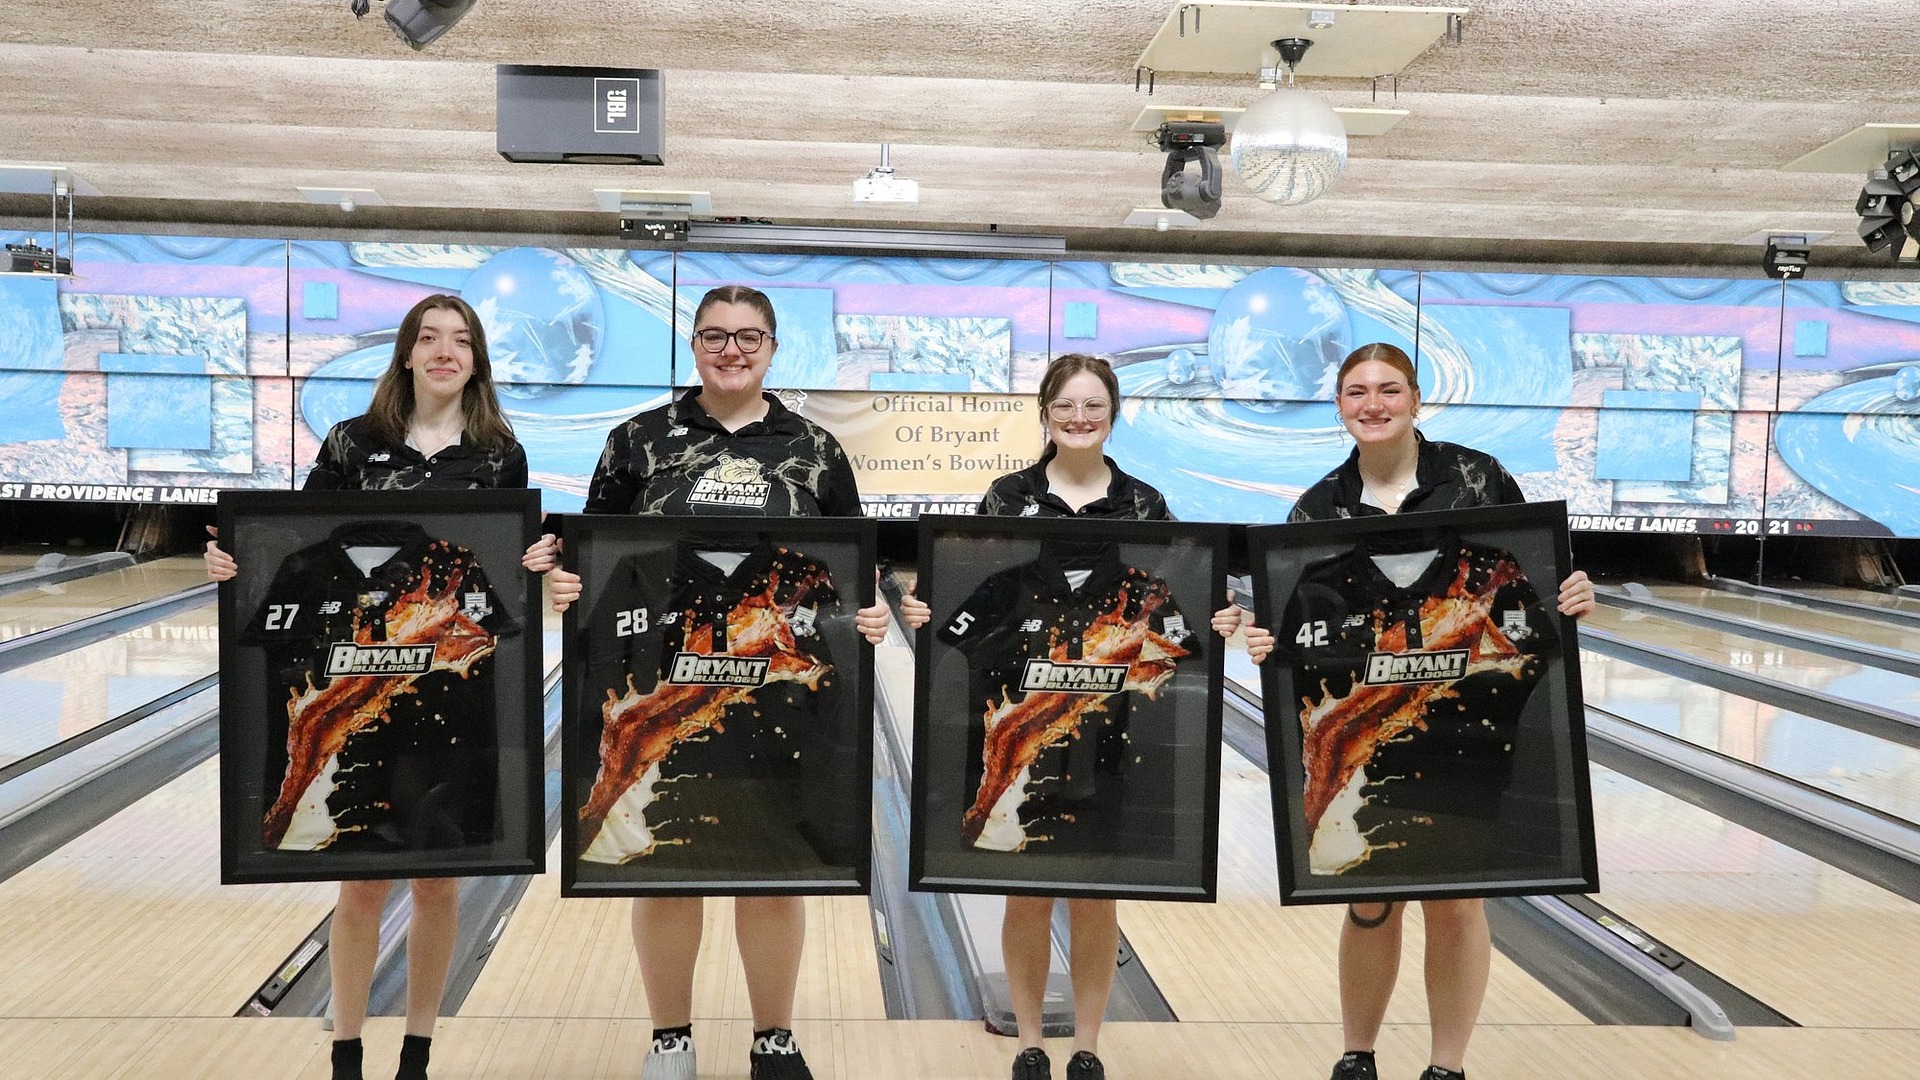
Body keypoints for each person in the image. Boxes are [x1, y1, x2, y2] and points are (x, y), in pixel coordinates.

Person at [206, 293, 578, 1080]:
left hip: (446, 696)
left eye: (462, 341)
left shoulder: (498, 452)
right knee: (362, 880)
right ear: (406, 352)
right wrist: (232, 565)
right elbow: (296, 542)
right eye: (430, 339)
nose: (446, 352)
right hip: (356, 689)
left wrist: (531, 566)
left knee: (439, 882)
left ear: (476, 359)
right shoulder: (352, 442)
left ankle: (417, 1049)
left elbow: (499, 578)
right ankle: (344, 1046)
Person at [576, 284, 909, 1080]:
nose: (732, 350)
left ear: (771, 347)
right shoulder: (637, 442)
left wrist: (868, 615)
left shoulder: (815, 449)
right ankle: (670, 1038)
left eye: (748, 336)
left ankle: (773, 1036)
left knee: (771, 868)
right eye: (716, 336)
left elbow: (846, 573)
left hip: (781, 698)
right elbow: (595, 559)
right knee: (663, 869)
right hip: (663, 689)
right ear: (694, 346)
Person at [1242, 342, 1594, 1080]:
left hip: (1464, 730)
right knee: (1370, 902)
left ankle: (1446, 1067)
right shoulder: (1317, 507)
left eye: (1389, 389)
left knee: (1457, 903)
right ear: (1339, 405)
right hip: (1368, 737)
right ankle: (1358, 1055)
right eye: (1357, 392)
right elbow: (1303, 633)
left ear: (1415, 397)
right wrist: (1264, 638)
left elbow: (1532, 590)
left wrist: (1573, 599)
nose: (1374, 404)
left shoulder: (1476, 479)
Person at [905, 354, 1240, 1080]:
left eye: (1094, 406)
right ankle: (1029, 1040)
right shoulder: (1008, 497)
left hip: (1107, 744)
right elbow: (963, 592)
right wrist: (924, 607)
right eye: (1066, 405)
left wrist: (1218, 618)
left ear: (1113, 414)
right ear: (1046, 411)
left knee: (1094, 893)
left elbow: (1181, 614)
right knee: (1026, 891)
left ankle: (1087, 1044)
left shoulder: (1144, 505)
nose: (1080, 418)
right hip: (1022, 733)